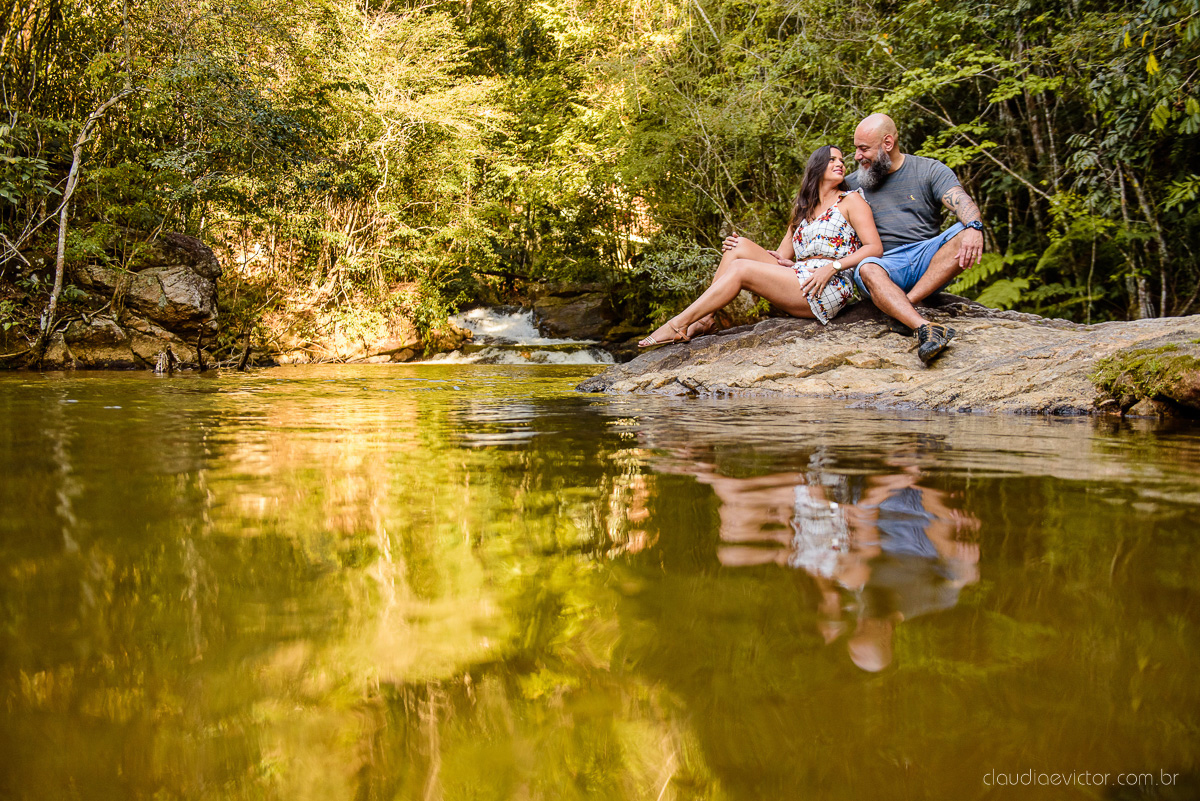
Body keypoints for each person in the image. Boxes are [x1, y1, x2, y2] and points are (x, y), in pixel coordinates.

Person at [638, 145, 882, 347]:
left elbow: (874, 247)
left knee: (742, 269)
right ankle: (705, 319)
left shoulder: (851, 201)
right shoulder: (803, 208)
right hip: (798, 276)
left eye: (841, 160)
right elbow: (780, 256)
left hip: (827, 284)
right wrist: (743, 249)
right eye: (832, 159)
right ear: (817, 167)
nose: (840, 163)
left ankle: (678, 324)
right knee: (739, 247)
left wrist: (833, 267)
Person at [844, 113, 986, 365]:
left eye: (863, 148)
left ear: (887, 143)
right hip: (883, 266)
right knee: (866, 267)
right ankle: (924, 327)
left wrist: (975, 227)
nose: (857, 156)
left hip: (926, 261)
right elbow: (813, 211)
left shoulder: (929, 170)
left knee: (964, 231)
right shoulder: (851, 185)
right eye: (856, 149)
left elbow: (961, 200)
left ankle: (903, 307)